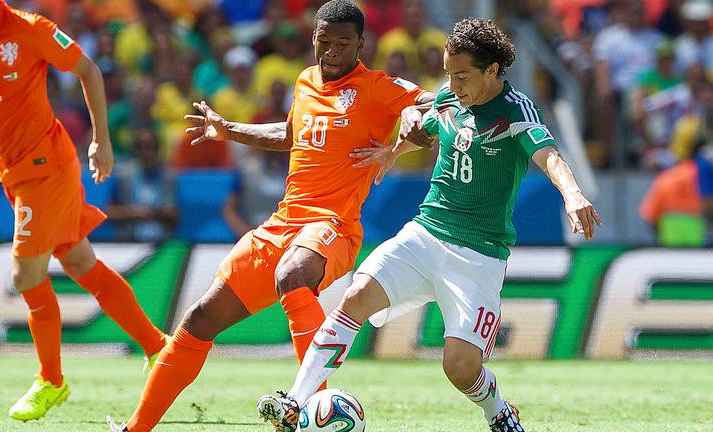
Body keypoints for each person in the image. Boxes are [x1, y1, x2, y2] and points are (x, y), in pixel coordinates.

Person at [257, 17, 601, 432]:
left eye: (462, 76)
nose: (453, 85)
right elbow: (424, 126)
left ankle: (497, 411)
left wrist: (573, 194)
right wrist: (394, 150)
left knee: (459, 367)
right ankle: (295, 401)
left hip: (478, 256)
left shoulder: (515, 109)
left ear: (491, 70)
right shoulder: (448, 99)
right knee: (356, 296)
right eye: (448, 74)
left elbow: (549, 156)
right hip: (425, 233)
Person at [106, 1, 433, 430]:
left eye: (342, 43)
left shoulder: (377, 87)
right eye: (324, 42)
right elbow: (292, 134)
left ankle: (309, 407)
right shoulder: (305, 81)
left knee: (293, 275)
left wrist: (406, 129)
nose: (331, 52)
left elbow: (439, 103)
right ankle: (136, 428)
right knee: (201, 319)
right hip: (284, 223)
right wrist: (230, 130)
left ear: (360, 44)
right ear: (313, 38)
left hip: (332, 225)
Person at [0, 0, 168, 421]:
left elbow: (89, 69)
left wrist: (101, 140)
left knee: (24, 274)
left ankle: (51, 380)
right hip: (11, 168)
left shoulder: (30, 28)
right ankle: (158, 346)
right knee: (81, 262)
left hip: (46, 165)